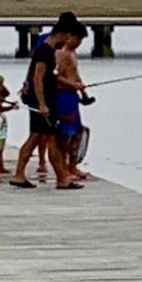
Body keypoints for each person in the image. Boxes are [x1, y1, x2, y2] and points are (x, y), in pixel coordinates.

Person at [10, 13, 85, 190]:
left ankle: (25, 175)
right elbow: (37, 78)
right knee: (47, 139)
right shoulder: (45, 51)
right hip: (41, 101)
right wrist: (42, 104)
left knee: (39, 137)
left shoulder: (48, 49)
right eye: (69, 35)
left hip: (44, 99)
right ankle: (58, 179)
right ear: (64, 33)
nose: (69, 40)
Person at [54, 34, 91, 183]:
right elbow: (56, 76)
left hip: (73, 96)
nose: (78, 43)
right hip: (63, 96)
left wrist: (83, 92)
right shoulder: (61, 54)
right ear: (69, 37)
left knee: (77, 133)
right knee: (65, 135)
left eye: (81, 40)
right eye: (77, 39)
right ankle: (63, 167)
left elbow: (75, 75)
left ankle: (72, 166)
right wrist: (73, 85)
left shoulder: (73, 54)